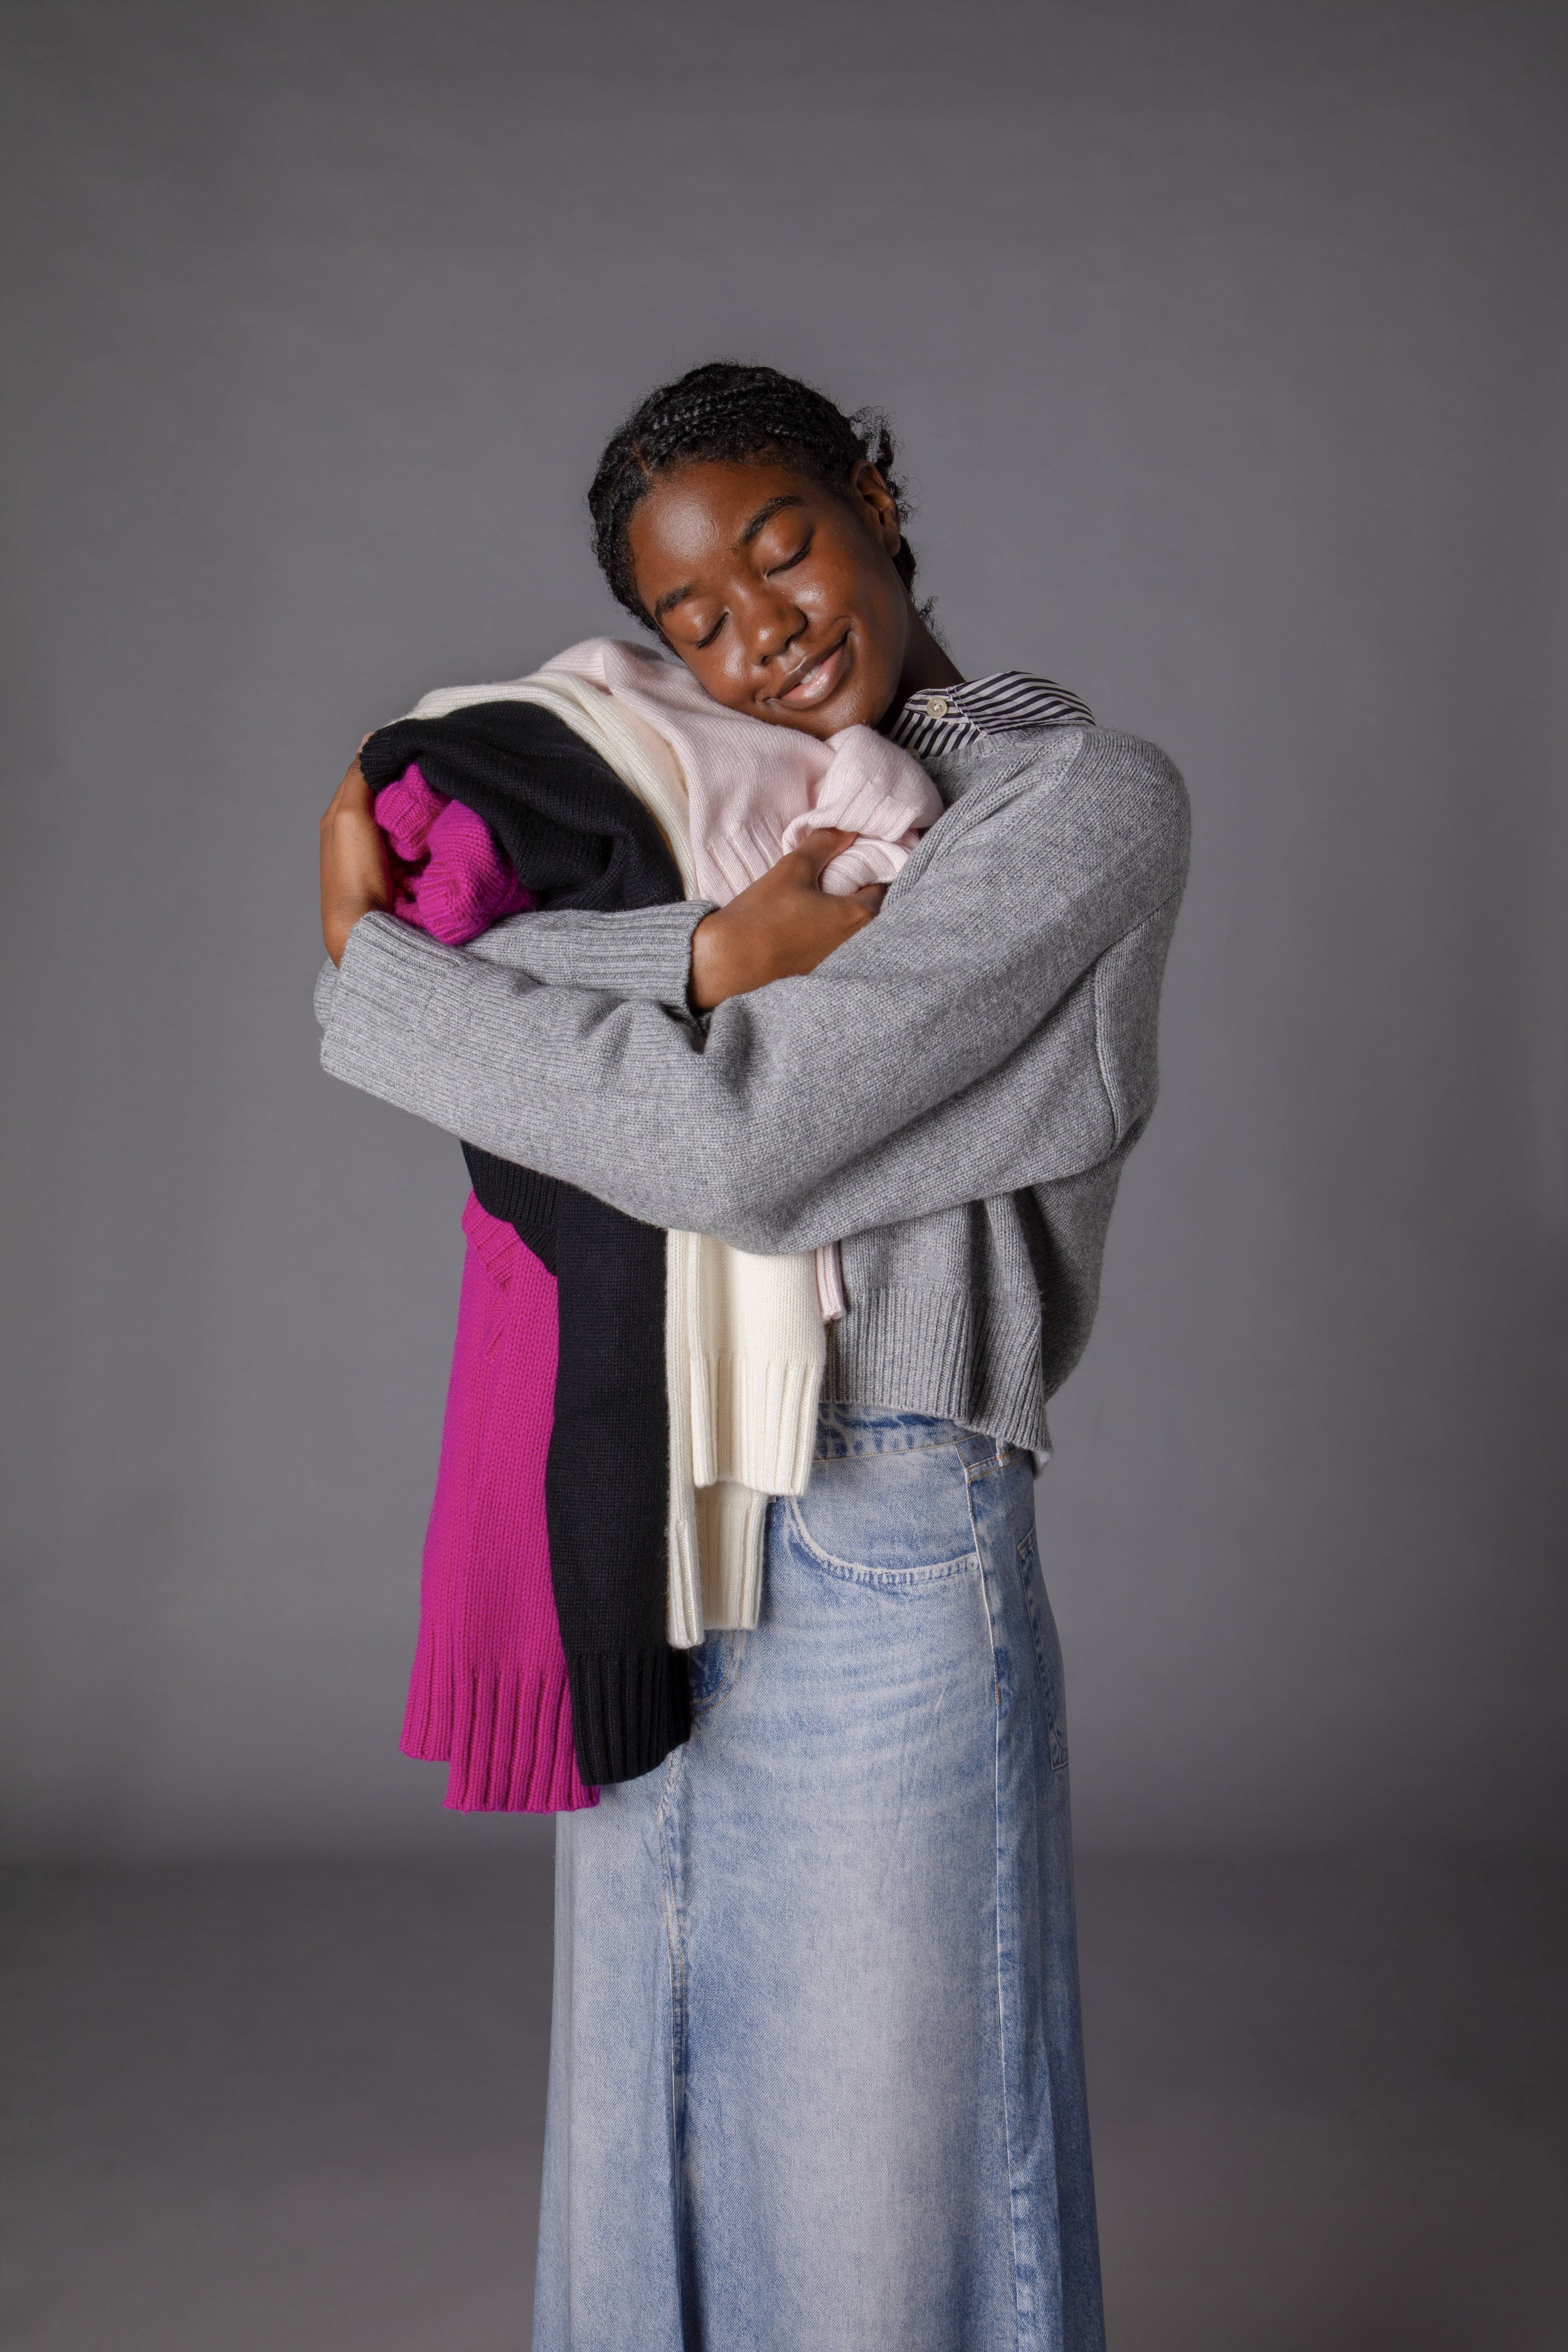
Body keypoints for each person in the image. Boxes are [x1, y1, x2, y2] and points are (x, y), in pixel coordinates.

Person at [316, 361, 1189, 2352]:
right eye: (693, 615)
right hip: (660, 1483)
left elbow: (740, 1141)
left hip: (889, 1512)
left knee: (897, 2175)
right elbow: (620, 1015)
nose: (757, 635)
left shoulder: (1079, 805)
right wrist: (705, 958)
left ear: (872, 497)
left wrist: (379, 986)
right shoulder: (707, 815)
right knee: (652, 2138)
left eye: (779, 550)